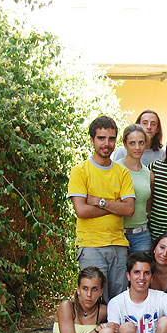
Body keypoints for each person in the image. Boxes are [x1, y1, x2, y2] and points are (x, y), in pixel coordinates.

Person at [68, 115, 135, 301]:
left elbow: (129, 209)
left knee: (118, 301)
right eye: (101, 138)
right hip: (91, 245)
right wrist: (115, 205)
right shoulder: (80, 171)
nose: (107, 143)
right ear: (92, 140)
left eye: (111, 138)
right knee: (94, 302)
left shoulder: (122, 172)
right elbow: (81, 211)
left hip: (118, 245)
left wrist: (99, 201)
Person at [117, 124, 152, 253]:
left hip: (141, 235)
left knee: (141, 272)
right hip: (118, 233)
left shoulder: (148, 172)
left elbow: (148, 205)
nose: (137, 147)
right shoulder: (116, 168)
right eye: (132, 143)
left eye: (141, 143)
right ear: (125, 144)